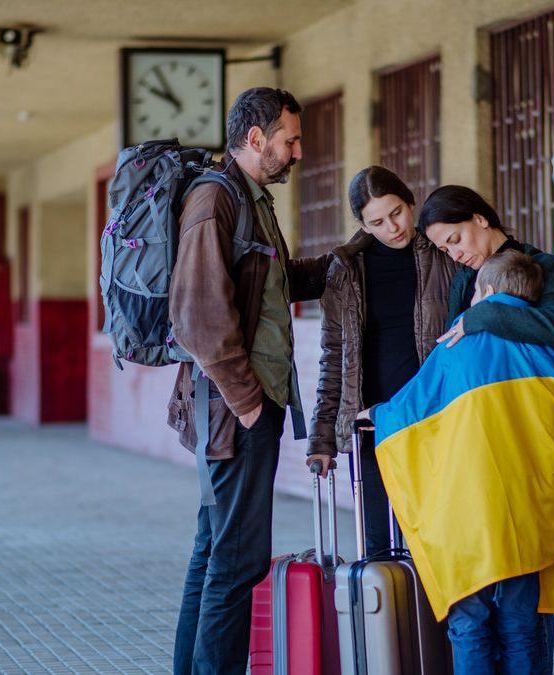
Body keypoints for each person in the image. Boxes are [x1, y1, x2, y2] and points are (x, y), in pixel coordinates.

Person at [358, 250, 554, 675]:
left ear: (485, 292)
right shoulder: (543, 348)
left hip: (467, 515)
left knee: (469, 625)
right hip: (525, 516)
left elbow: (414, 407)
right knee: (522, 625)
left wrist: (377, 414)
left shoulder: (461, 340)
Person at [167, 86, 331, 675]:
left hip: (236, 409)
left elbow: (276, 283)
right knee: (237, 563)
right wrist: (251, 406)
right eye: (290, 140)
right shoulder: (217, 200)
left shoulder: (249, 196)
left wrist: (346, 261)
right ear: (256, 138)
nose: (298, 152)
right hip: (235, 412)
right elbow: (198, 317)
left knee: (214, 553)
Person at [304, 165, 455, 556]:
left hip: (434, 421)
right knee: (378, 549)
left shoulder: (444, 256)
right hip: (371, 427)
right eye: (378, 221)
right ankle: (388, 620)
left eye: (397, 213)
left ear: (410, 201)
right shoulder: (346, 271)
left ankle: (434, 621)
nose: (393, 227)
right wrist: (321, 437)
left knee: (439, 546)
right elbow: (334, 356)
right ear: (363, 224)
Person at [417, 184, 554, 351]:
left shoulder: (550, 267)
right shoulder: (463, 280)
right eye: (445, 250)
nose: (454, 255)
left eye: (455, 240)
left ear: (480, 219)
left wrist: (480, 315)